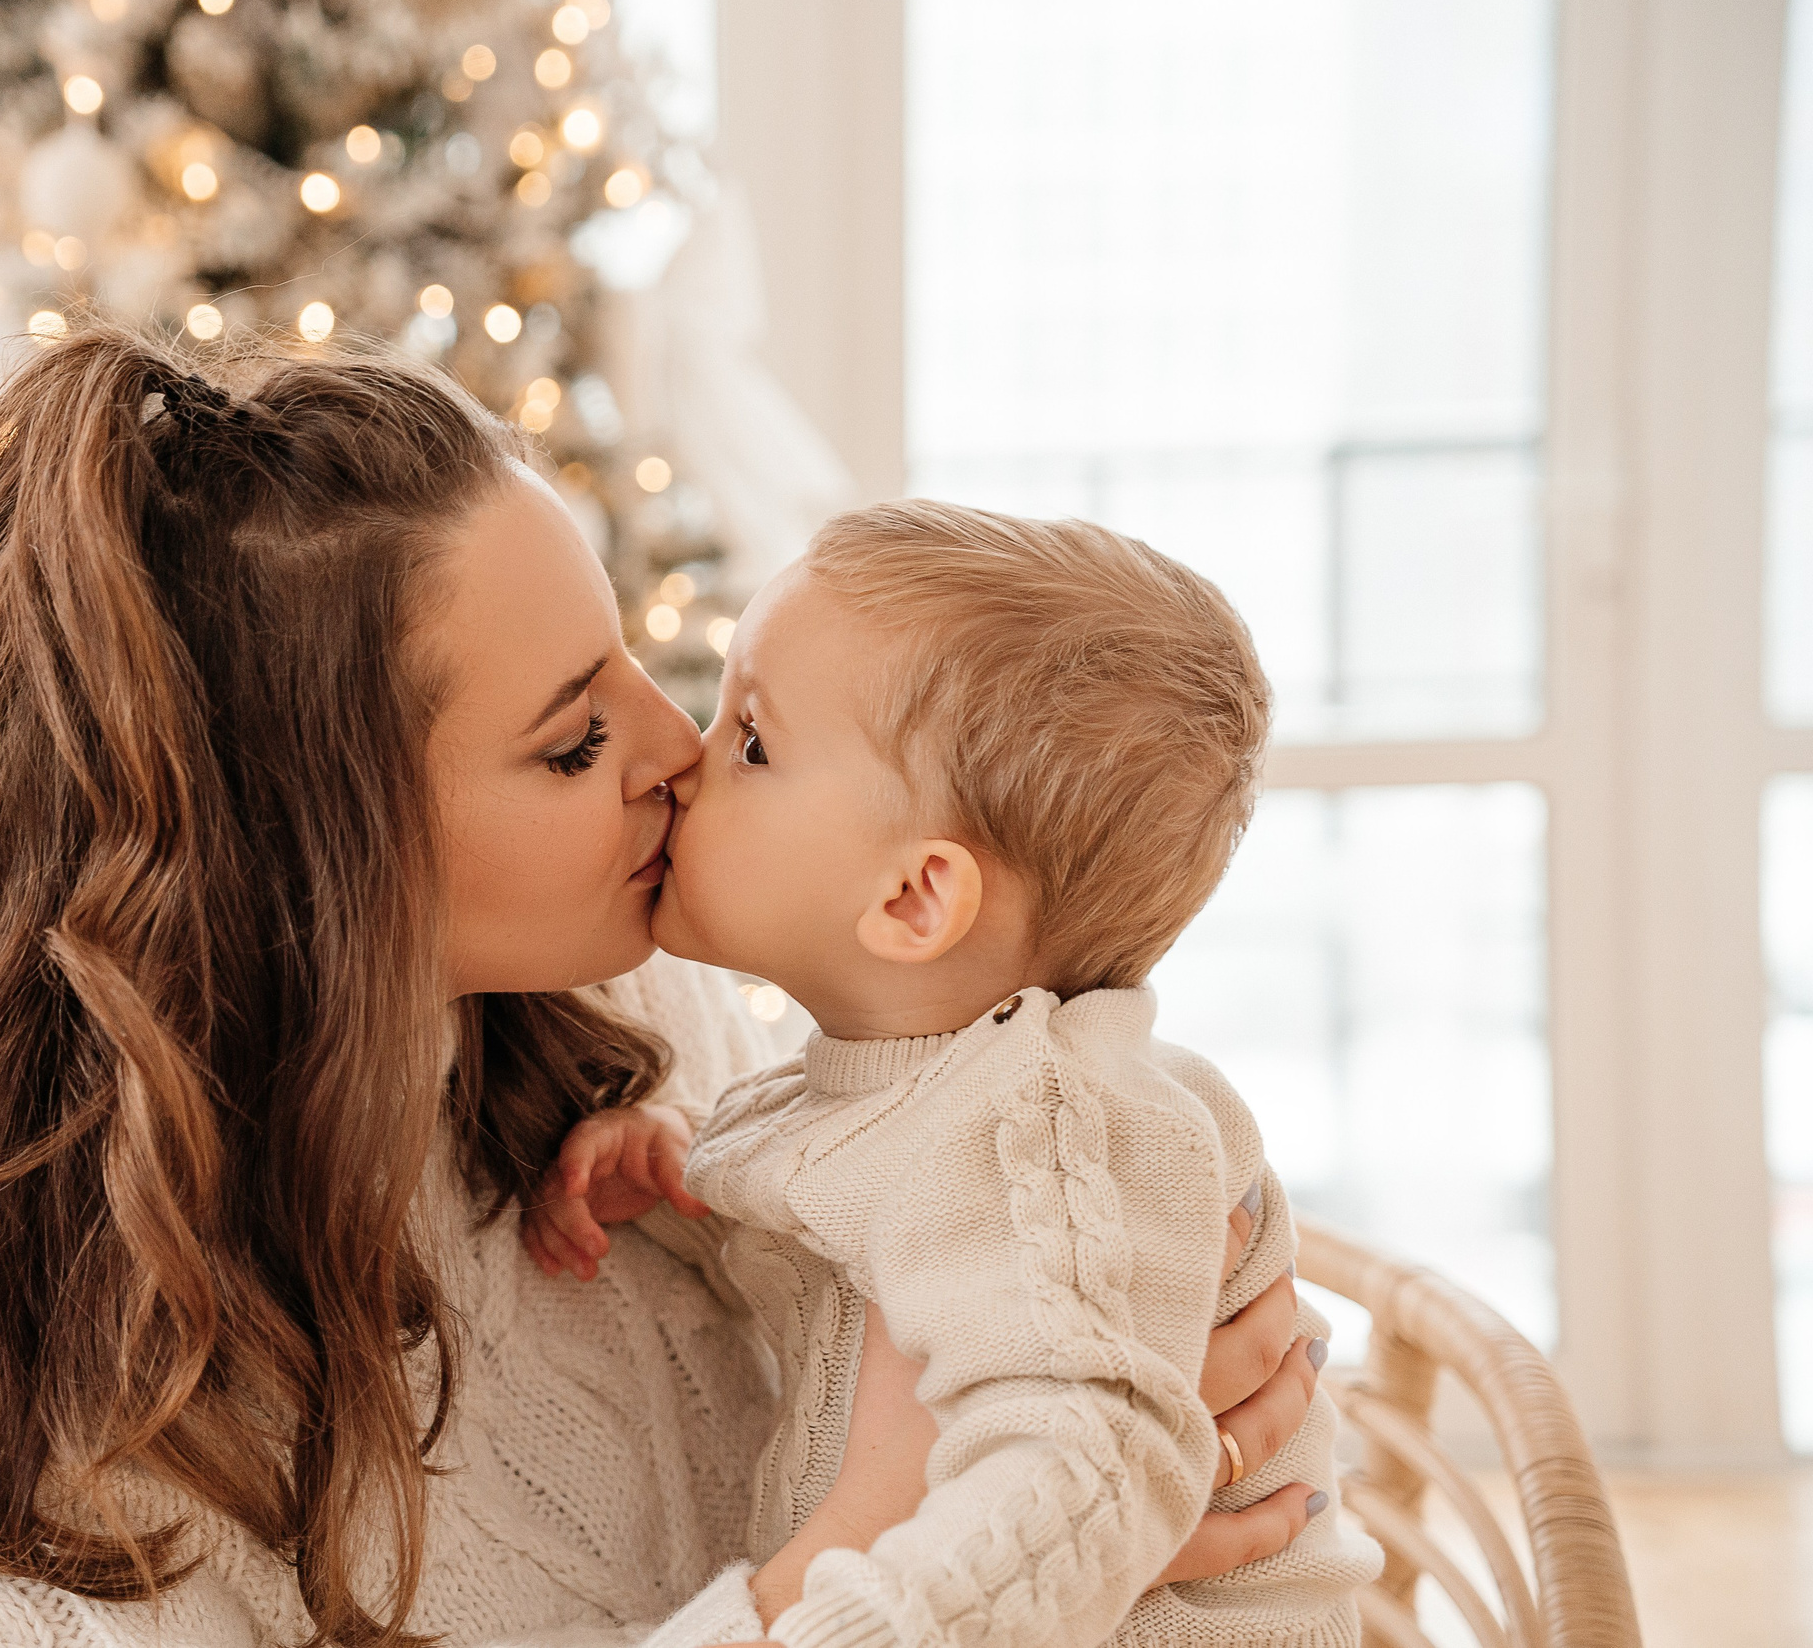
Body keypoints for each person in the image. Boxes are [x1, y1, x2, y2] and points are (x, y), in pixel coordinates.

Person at [0, 329, 1329, 1648]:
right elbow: (914, 1465)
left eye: (649, 665)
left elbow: (1012, 1257)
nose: (673, 755)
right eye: (572, 740)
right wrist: (866, 1556)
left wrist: (1119, 1456)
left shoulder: (640, 1029)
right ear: (302, 857)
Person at [523, 501, 1383, 1648]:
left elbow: (1082, 1477)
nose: (684, 753)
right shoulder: (912, 1084)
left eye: (751, 739)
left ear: (912, 900)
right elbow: (883, 1286)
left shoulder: (1042, 1125)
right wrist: (697, 1181)